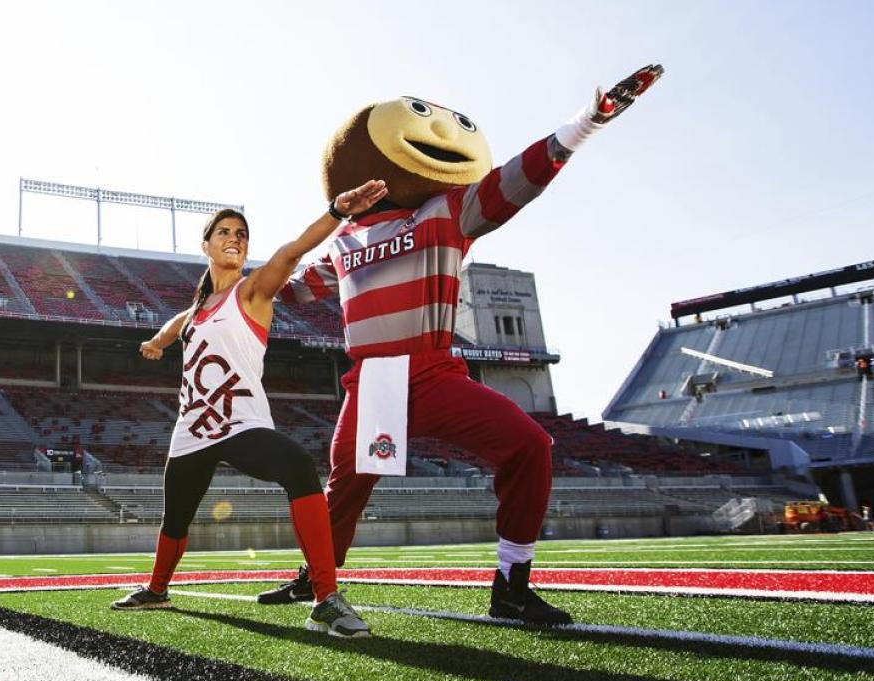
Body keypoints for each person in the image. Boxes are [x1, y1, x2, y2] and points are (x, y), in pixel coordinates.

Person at [257, 65, 665, 624]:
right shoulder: (342, 241)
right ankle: (314, 579)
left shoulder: (447, 212)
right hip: (373, 380)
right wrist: (238, 285)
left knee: (530, 446)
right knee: (344, 491)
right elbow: (290, 291)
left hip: (432, 372)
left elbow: (515, 180)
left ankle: (512, 586)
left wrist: (586, 123)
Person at [110, 179, 390, 639]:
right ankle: (157, 589)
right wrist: (156, 343)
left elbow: (292, 252)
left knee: (299, 467)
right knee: (175, 518)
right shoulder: (198, 309)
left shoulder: (252, 292)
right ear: (206, 244)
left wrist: (337, 212)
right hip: (192, 430)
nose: (235, 238)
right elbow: (178, 322)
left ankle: (325, 598)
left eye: (241, 233)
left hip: (240, 422)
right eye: (224, 232)